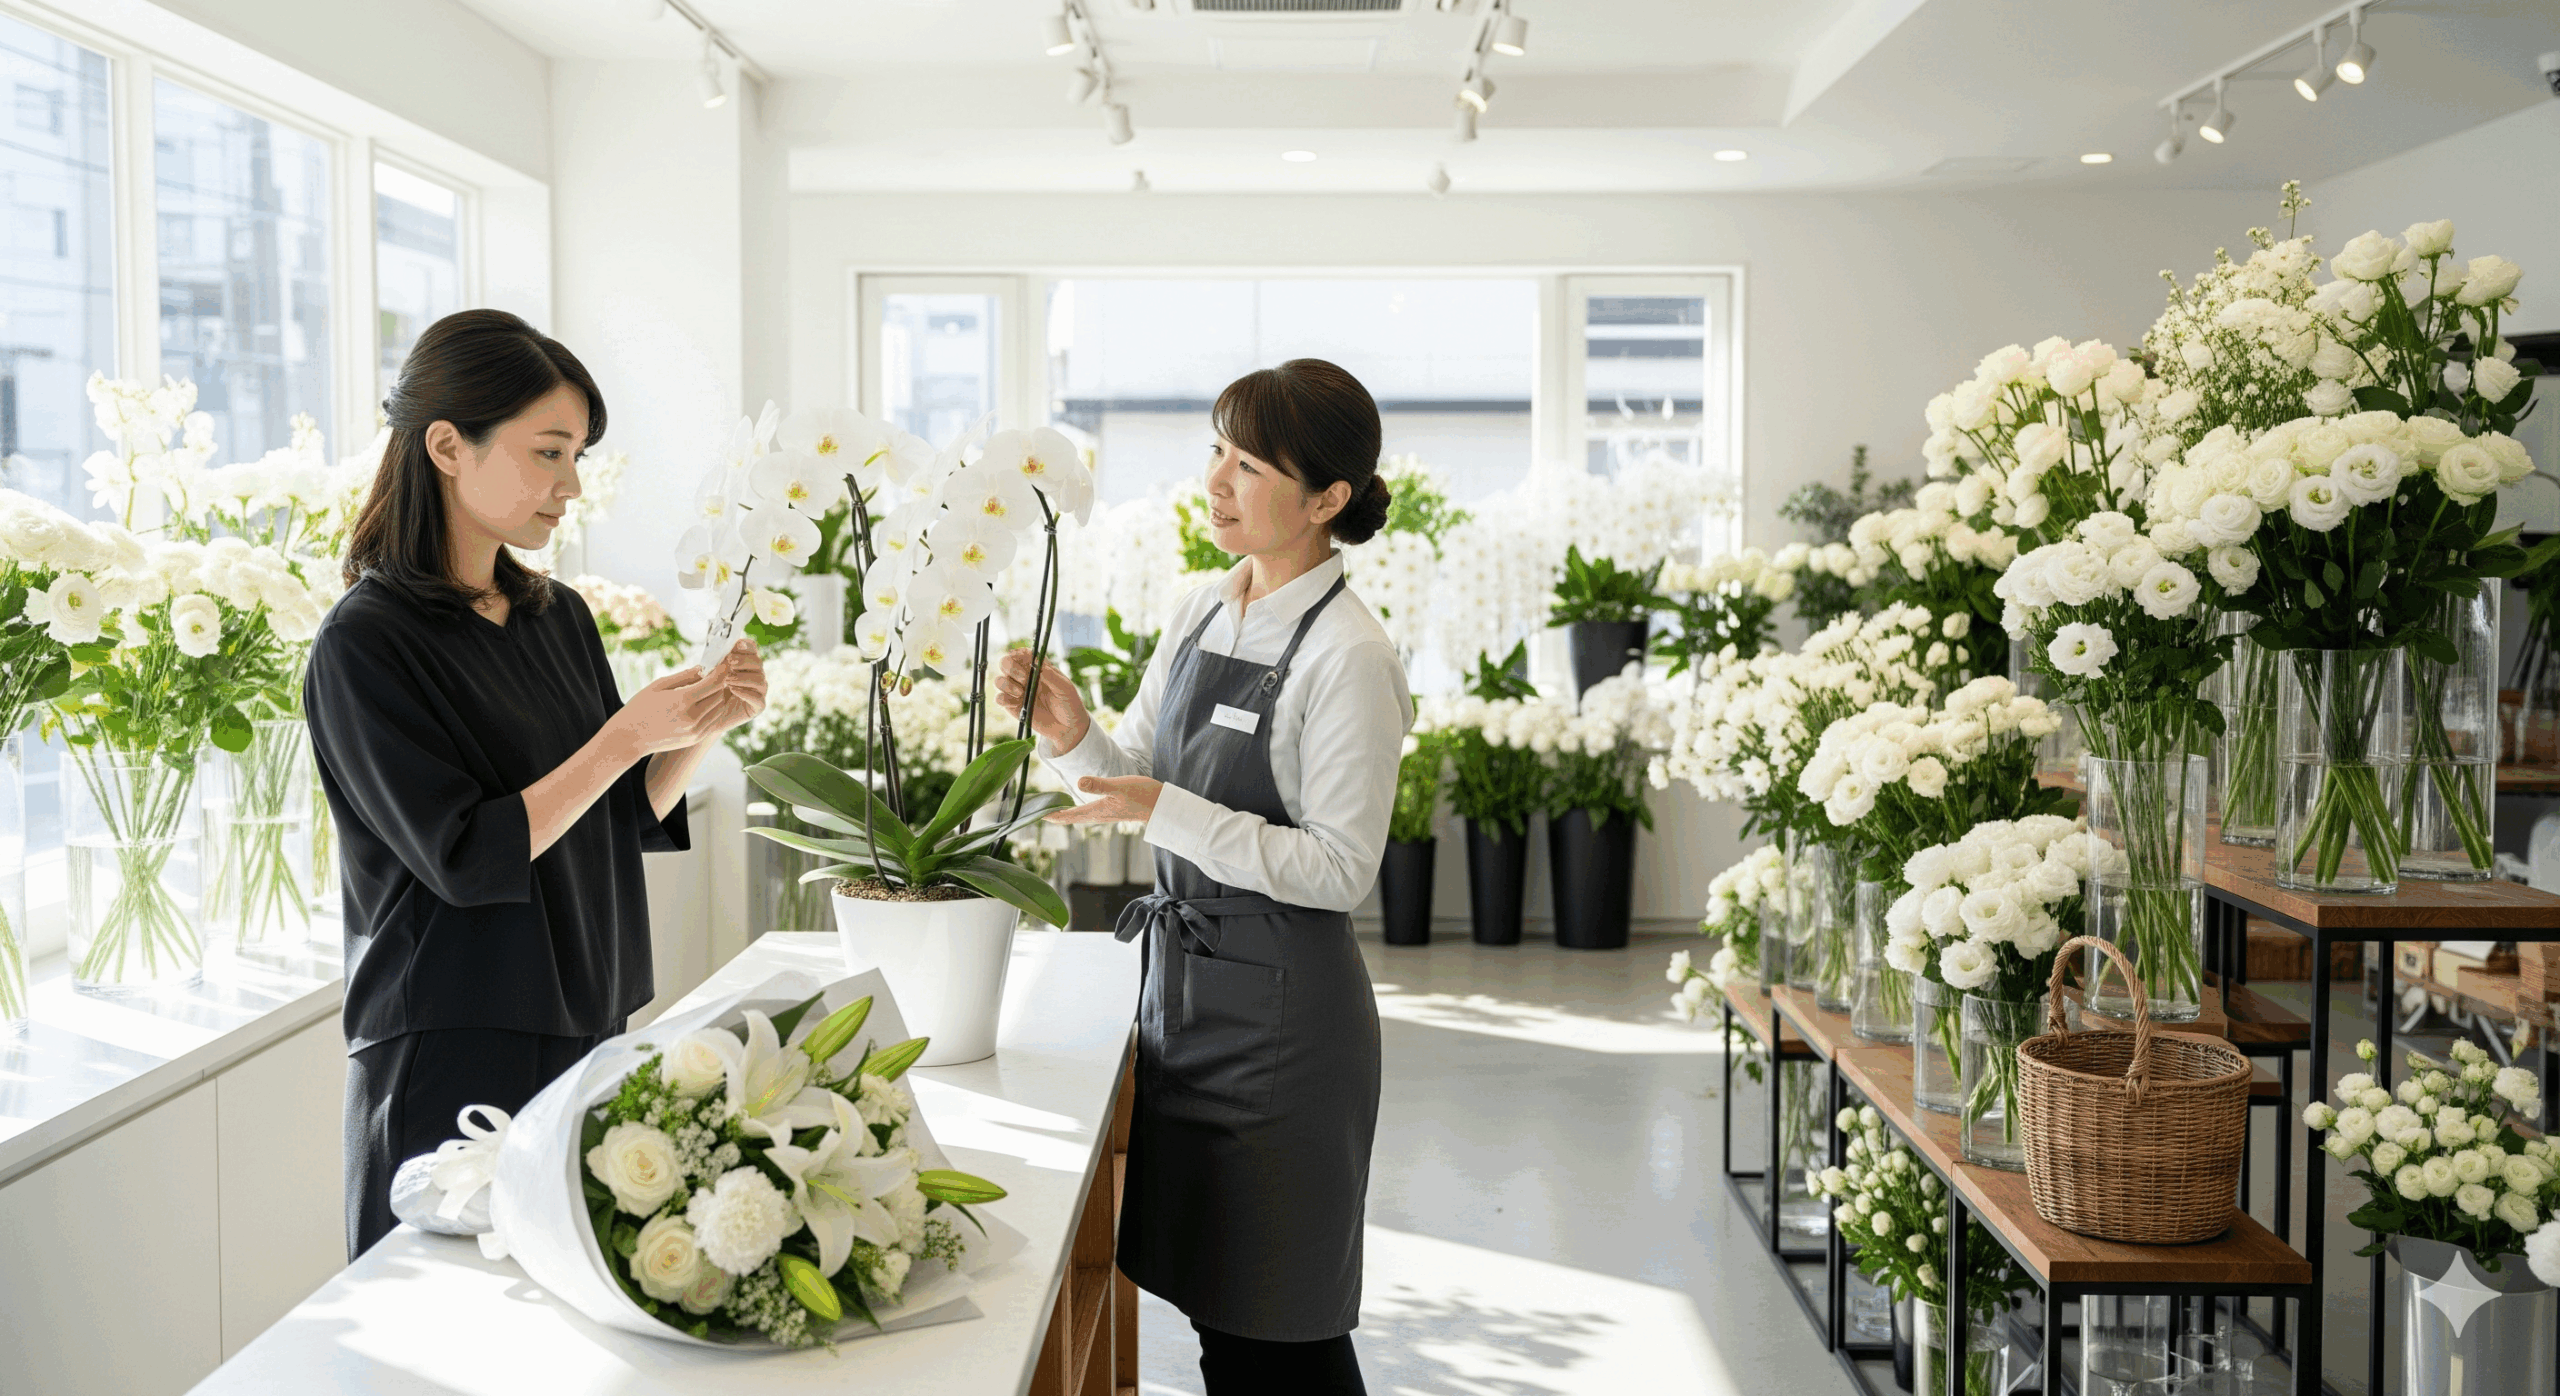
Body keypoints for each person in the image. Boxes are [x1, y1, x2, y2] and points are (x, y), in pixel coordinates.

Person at [308, 309, 766, 1259]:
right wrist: (623, 735)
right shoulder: (367, 642)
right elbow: (467, 855)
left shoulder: (555, 616)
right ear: (447, 445)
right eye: (549, 452)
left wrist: (695, 731)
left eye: (579, 457)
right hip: (455, 1041)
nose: (570, 486)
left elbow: (616, 817)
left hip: (589, 1017)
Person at [998, 358, 1410, 1395]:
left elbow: (1340, 866)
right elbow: (1133, 769)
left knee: (1283, 1327)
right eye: (1215, 454)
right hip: (1180, 998)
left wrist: (1161, 806)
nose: (1216, 482)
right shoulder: (1198, 608)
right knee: (1221, 1317)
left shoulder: (1350, 656)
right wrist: (1070, 732)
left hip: (1283, 1024)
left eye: (1250, 464)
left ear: (1328, 499)